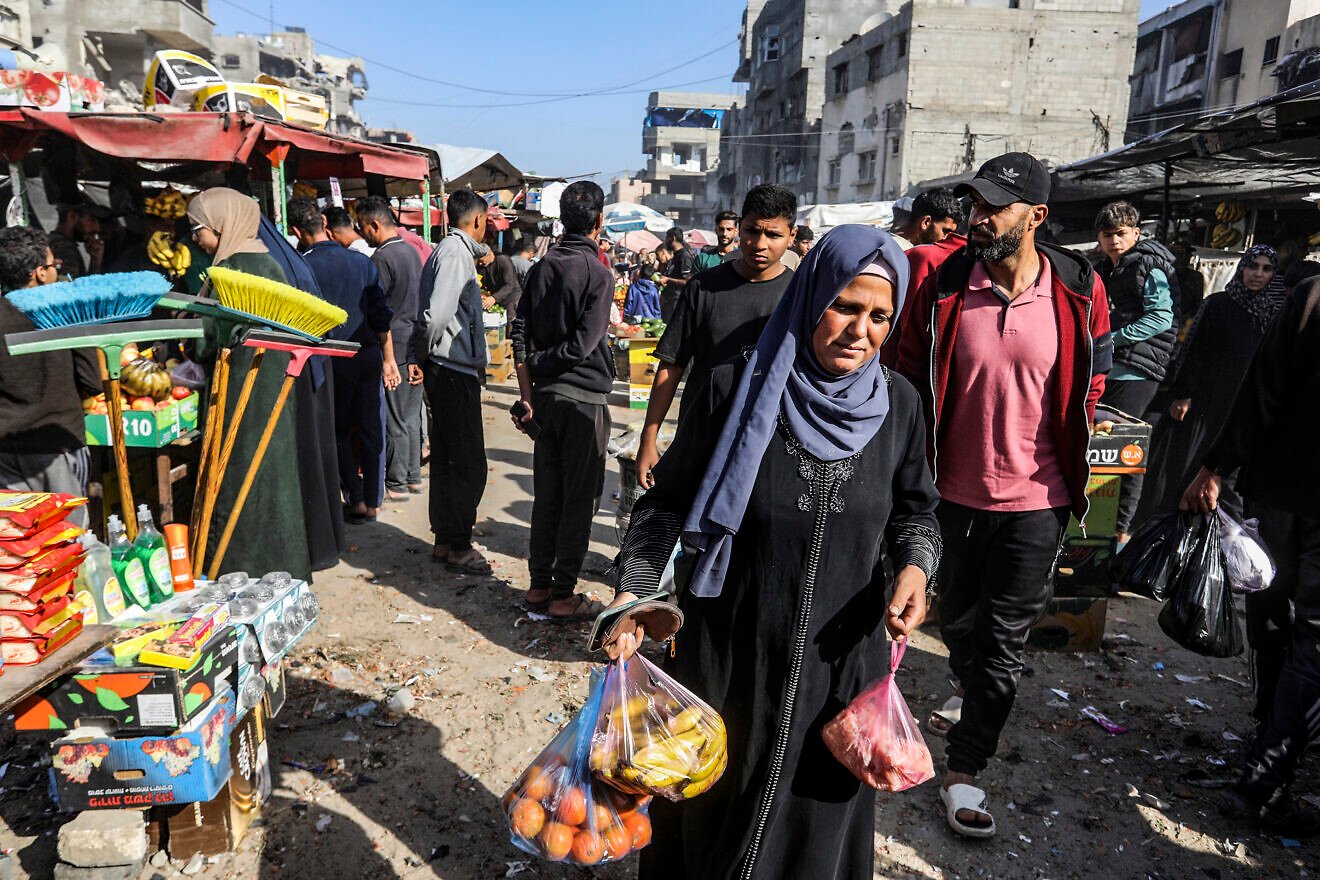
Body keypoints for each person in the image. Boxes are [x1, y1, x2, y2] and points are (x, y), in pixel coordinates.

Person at [601, 225, 939, 879]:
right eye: (845, 305)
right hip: (732, 653)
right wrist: (633, 590)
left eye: (879, 316)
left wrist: (917, 568)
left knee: (813, 835)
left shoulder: (899, 405)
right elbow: (665, 502)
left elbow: (917, 512)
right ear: (812, 296)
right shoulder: (737, 387)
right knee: (714, 818)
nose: (859, 330)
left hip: (840, 669)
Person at [893, 153, 1111, 838]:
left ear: (1037, 217)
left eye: (994, 207)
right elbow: (904, 372)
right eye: (974, 205)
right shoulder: (946, 284)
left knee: (1004, 644)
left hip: (1037, 502)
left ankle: (964, 770)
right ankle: (968, 688)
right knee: (957, 623)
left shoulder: (1080, 288)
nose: (977, 218)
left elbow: (1093, 379)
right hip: (949, 498)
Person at [1180, 276, 1320, 836]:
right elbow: (1260, 391)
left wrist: (1217, 464)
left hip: (1279, 490)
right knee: (1307, 635)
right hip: (1288, 495)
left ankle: (1266, 739)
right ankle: (1266, 776)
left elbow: (1260, 392)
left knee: (1273, 616)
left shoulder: (1310, 294)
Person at [634, 184, 799, 486]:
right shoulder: (703, 287)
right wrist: (649, 437)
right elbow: (671, 365)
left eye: (773, 234)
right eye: (751, 230)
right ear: (739, 229)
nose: (759, 243)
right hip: (701, 437)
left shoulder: (800, 296)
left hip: (769, 447)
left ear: (792, 236)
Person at [188, 187, 313, 579]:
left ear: (223, 225)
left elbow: (206, 341)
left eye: (199, 229)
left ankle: (236, 568)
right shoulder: (271, 263)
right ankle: (284, 565)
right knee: (273, 474)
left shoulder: (231, 271)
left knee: (234, 476)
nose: (195, 238)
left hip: (239, 387)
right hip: (274, 384)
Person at [509, 181, 615, 621]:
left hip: (547, 402)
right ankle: (562, 594)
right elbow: (582, 347)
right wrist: (542, 362)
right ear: (598, 221)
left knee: (549, 495)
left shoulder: (542, 266)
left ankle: (538, 586)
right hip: (583, 401)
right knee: (578, 501)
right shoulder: (599, 274)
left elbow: (518, 332)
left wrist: (528, 392)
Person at [1138, 245, 1287, 527]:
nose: (1258, 274)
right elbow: (1194, 351)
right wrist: (1183, 394)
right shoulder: (1219, 304)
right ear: (1241, 268)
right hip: (1209, 400)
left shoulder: (1277, 311)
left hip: (1247, 404)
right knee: (1190, 469)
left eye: (1266, 269)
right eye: (1252, 266)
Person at [287, 198, 400, 525]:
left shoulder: (300, 266)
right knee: (370, 427)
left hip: (328, 358)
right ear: (323, 221)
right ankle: (373, 500)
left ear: (296, 230)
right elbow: (381, 316)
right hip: (366, 354)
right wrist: (388, 359)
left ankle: (354, 496)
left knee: (336, 430)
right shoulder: (362, 262)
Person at [414, 188, 493, 575]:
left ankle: (446, 540)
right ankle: (458, 543)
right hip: (451, 369)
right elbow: (435, 315)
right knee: (468, 464)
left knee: (449, 459)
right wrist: (425, 354)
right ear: (478, 219)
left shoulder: (451, 251)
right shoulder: (456, 252)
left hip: (449, 368)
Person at [1091, 201, 1178, 544]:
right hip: (1111, 368)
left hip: (1139, 369)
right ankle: (1095, 530)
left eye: (1121, 234)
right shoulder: (1106, 268)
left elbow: (1161, 317)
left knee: (1126, 450)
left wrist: (1112, 339)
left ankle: (1120, 533)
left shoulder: (1149, 265)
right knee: (1106, 447)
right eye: (1107, 234)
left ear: (1136, 234)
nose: (1114, 240)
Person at [0, 227, 99, 527]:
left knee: (21, 543)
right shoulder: (66, 312)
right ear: (39, 273)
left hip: (6, 448)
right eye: (54, 265)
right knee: (68, 538)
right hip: (58, 444)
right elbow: (91, 380)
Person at [357, 195, 426, 503]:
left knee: (397, 418)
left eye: (363, 227)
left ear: (374, 224)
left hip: (394, 347)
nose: (363, 234)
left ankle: (397, 482)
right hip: (412, 344)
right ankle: (412, 477)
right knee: (410, 417)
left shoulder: (382, 259)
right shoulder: (411, 252)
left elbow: (377, 310)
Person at [49, 203, 106, 279]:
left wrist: (95, 262)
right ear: (72, 216)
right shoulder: (65, 248)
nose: (97, 228)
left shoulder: (54, 242)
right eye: (92, 219)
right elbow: (72, 289)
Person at [657, 227, 697, 322]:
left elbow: (688, 281)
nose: (665, 241)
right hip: (670, 300)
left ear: (673, 238)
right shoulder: (676, 255)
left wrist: (668, 279)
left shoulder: (684, 256)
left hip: (678, 301)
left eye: (667, 238)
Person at [480, 228, 522, 314]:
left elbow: (509, 284)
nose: (480, 263)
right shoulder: (482, 266)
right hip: (495, 297)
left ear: (490, 254)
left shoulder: (503, 260)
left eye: (481, 260)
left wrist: (494, 298)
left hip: (511, 298)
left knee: (510, 322)